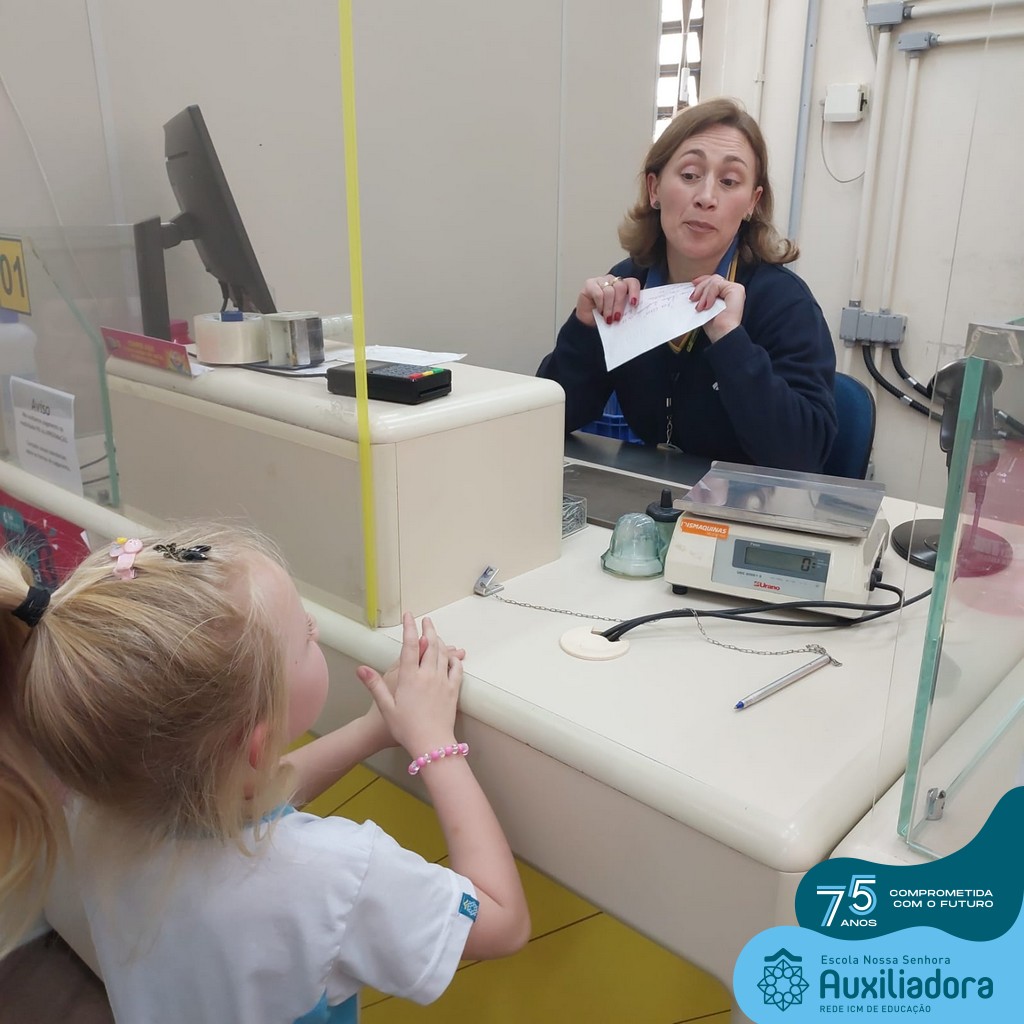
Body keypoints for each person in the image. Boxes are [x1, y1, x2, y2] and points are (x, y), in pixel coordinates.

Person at [0, 525, 530, 1023]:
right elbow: (503, 923)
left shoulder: (98, 804)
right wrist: (435, 744)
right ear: (257, 739)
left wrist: (371, 731)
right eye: (304, 637)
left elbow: (244, 798)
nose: (315, 626)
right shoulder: (333, 875)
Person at [538, 97, 837, 473]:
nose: (706, 198)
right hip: (655, 493)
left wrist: (729, 340)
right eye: (690, 175)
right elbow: (547, 422)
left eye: (729, 182)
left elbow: (804, 454)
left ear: (752, 202)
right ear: (654, 189)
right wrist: (585, 330)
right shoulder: (631, 284)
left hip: (748, 503)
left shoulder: (785, 303)